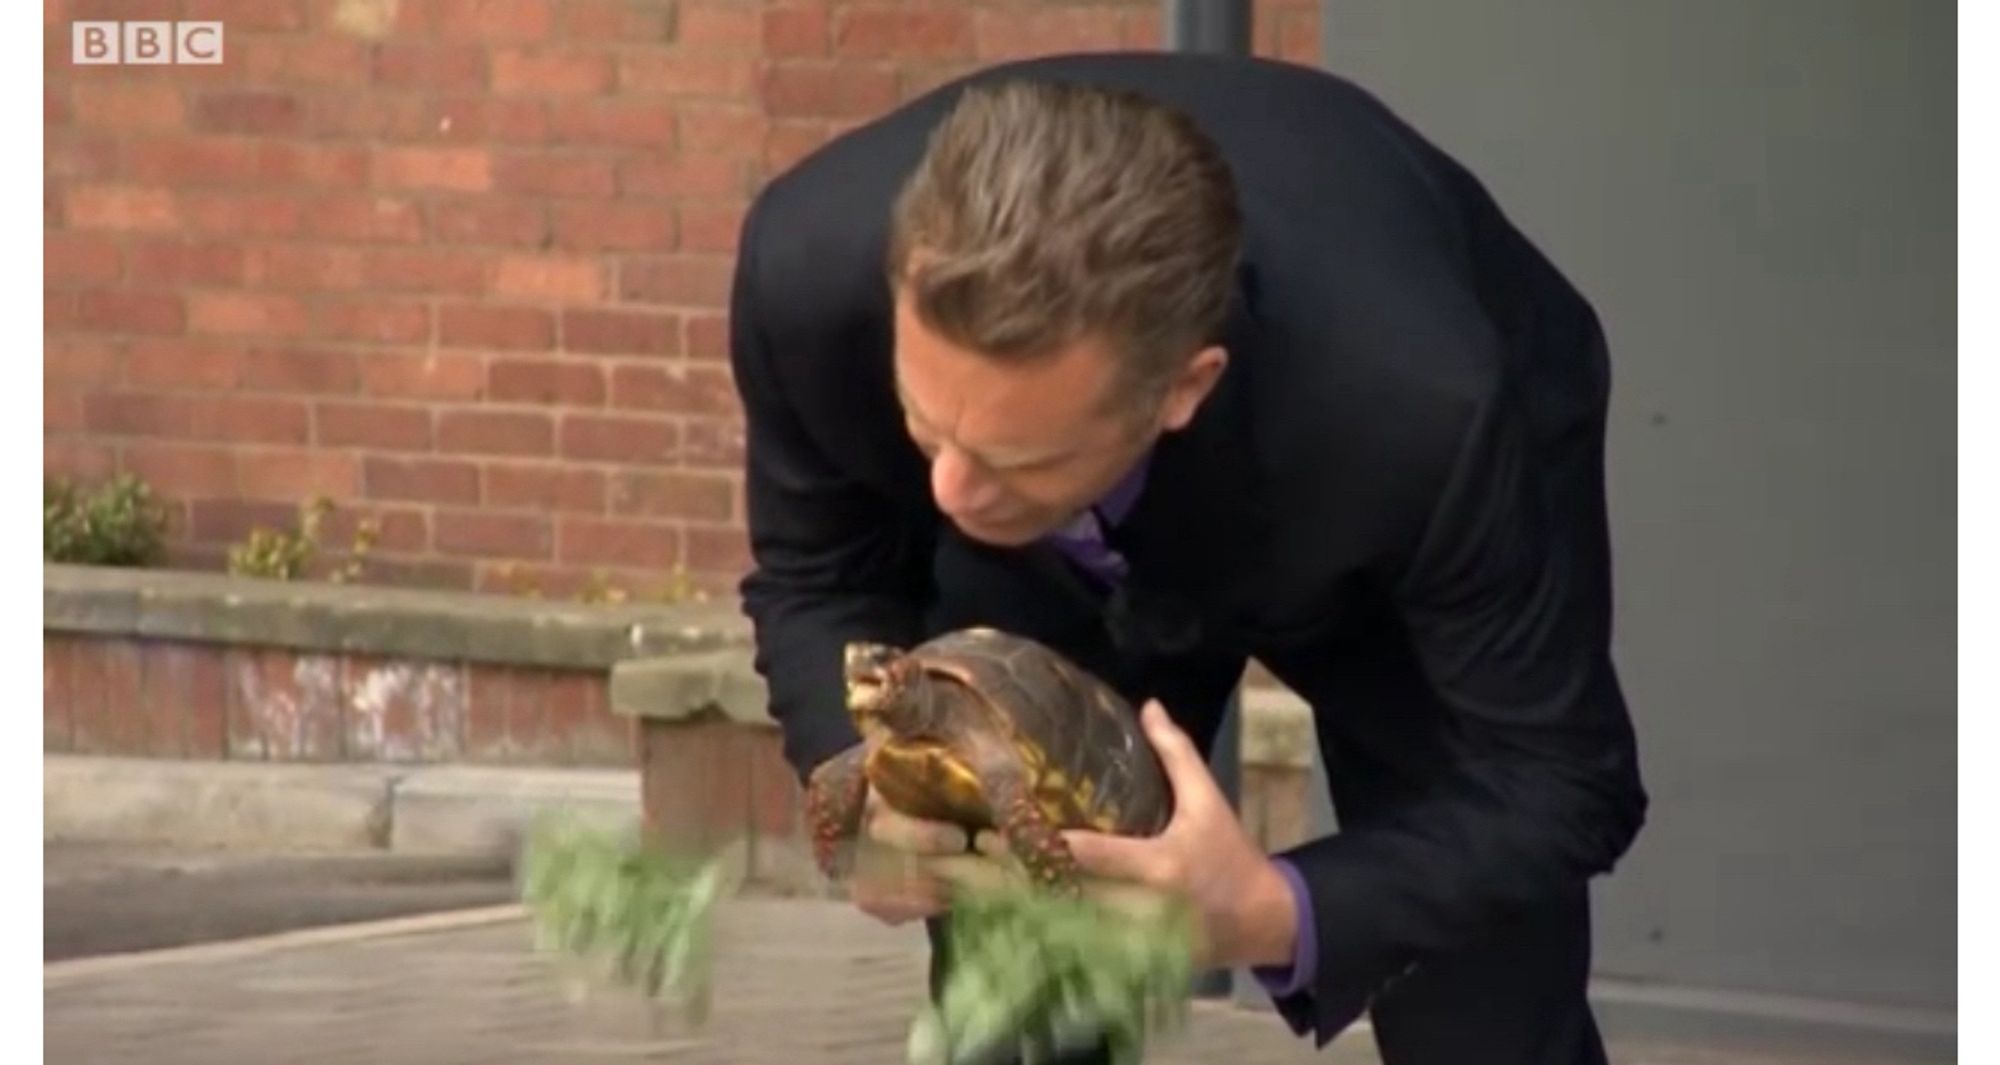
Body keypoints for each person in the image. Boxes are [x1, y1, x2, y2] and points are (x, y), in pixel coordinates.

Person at [725, 50, 1648, 1065]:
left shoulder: (1430, 412)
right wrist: (864, 792)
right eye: (922, 423)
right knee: (1022, 985)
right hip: (1048, 571)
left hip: (1373, 526)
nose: (948, 492)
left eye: (1012, 455)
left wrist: (1270, 910)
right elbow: (819, 579)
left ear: (1181, 386)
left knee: (1482, 1012)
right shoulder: (805, 277)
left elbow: (1558, 781)